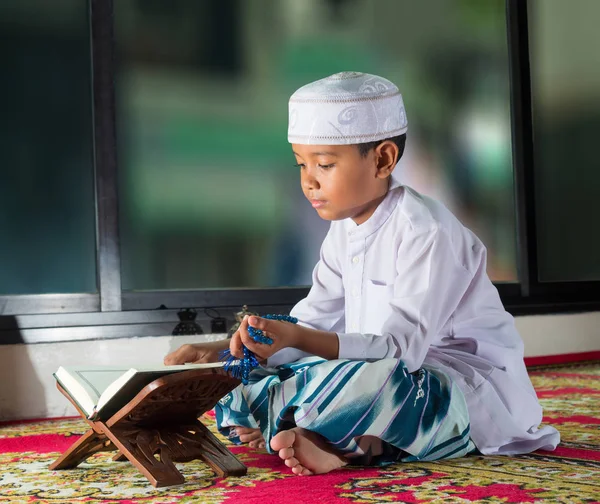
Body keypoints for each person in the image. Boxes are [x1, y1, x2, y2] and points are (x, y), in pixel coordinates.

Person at [164, 71, 560, 476]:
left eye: (324, 164)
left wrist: (299, 338)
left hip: (455, 384)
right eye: (301, 164)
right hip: (378, 365)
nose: (309, 182)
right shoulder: (343, 230)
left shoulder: (428, 232)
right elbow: (311, 323)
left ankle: (347, 446)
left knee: (371, 384)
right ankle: (326, 435)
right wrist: (223, 349)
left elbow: (401, 353)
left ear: (383, 159)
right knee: (245, 380)